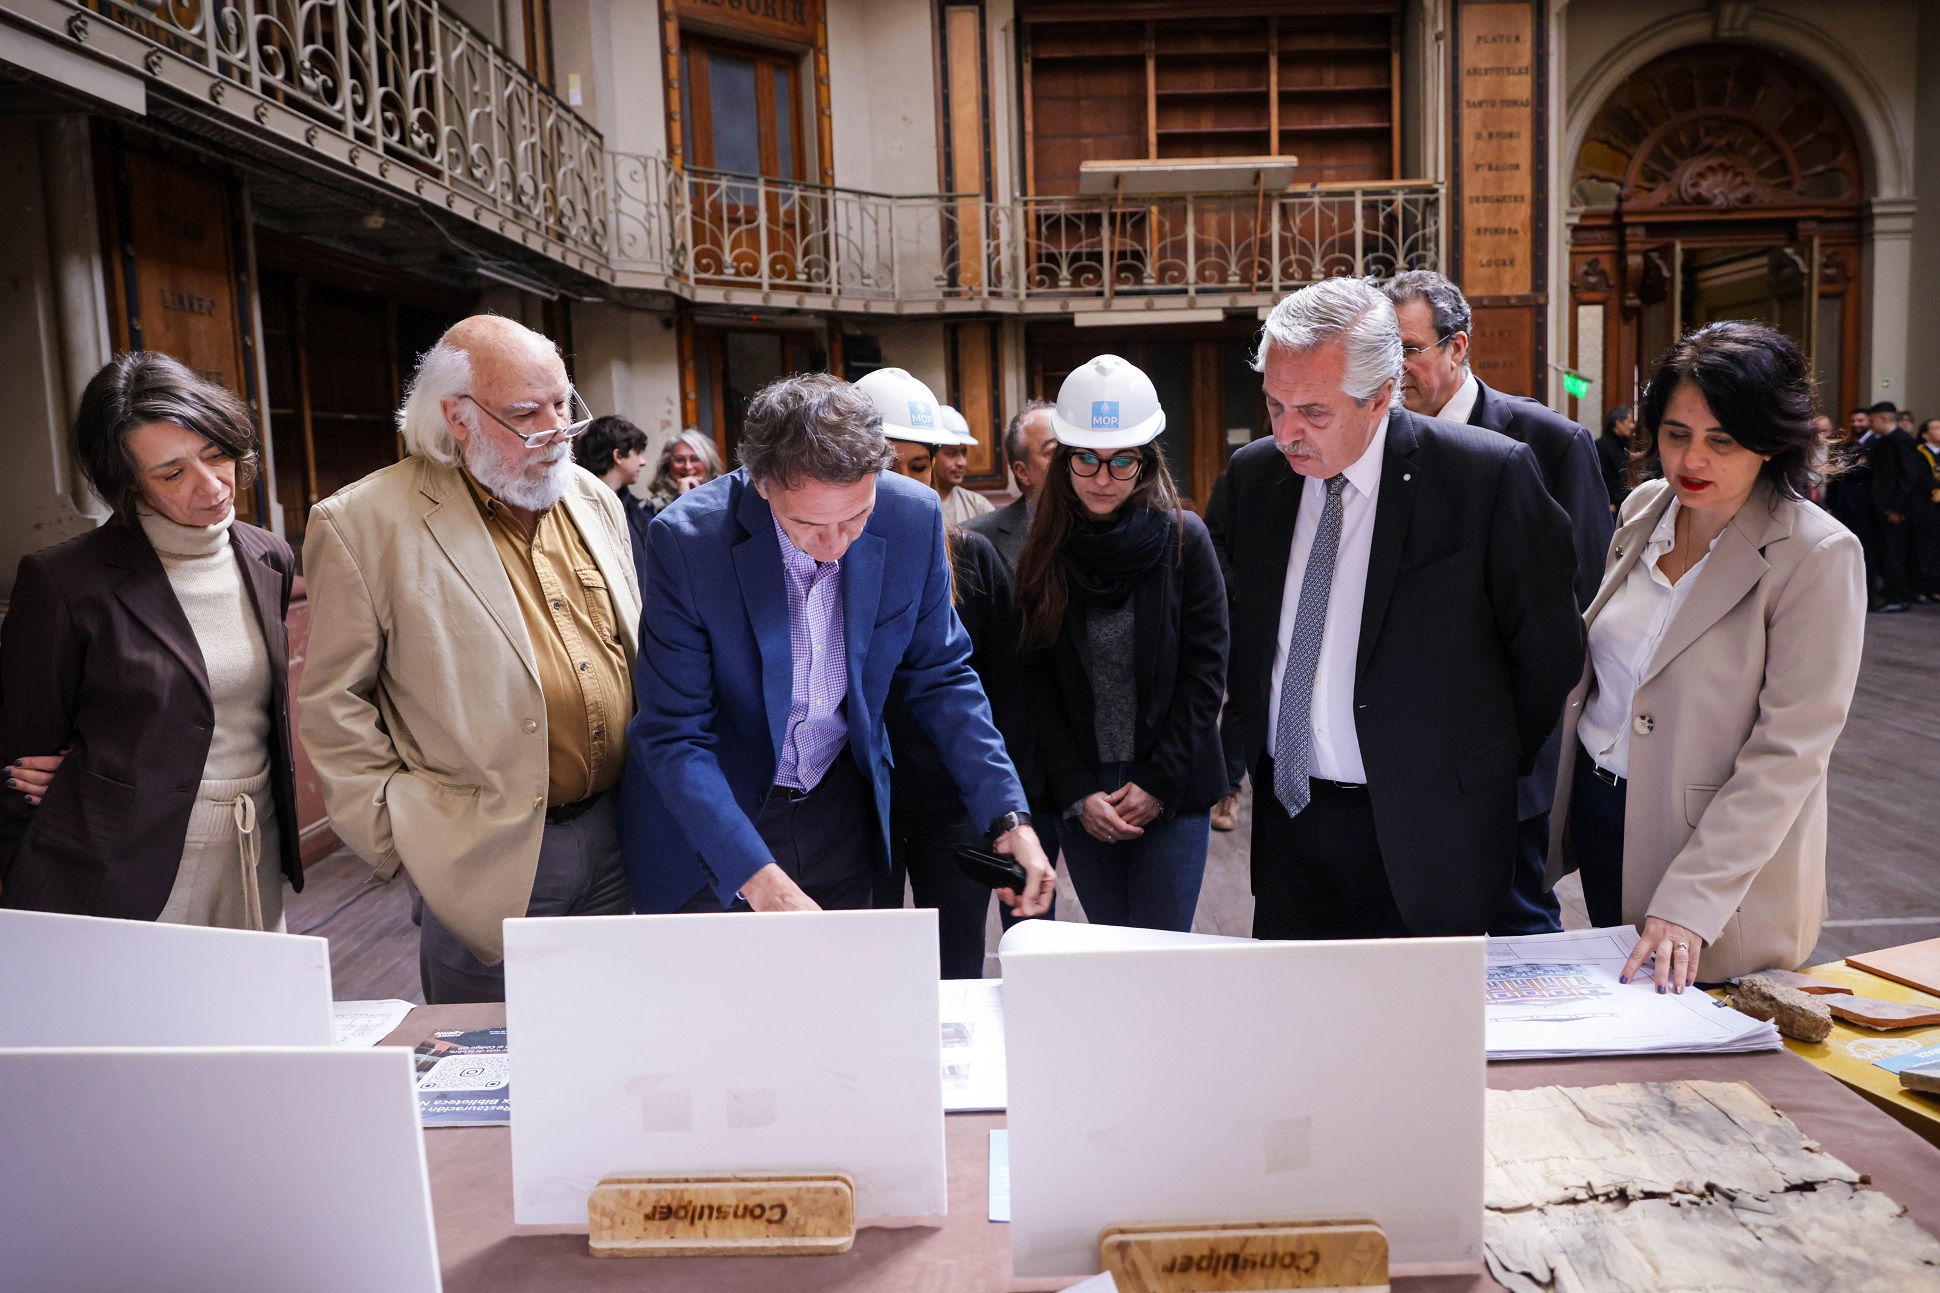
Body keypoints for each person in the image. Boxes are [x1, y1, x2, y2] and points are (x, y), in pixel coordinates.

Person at [1205, 277, 1581, 940]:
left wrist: (1472, 768)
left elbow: (1548, 654)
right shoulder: (1253, 479)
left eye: (1313, 413)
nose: (1287, 432)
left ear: (1382, 396)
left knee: (1422, 1034)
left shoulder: (1484, 478)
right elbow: (1237, 631)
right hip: (1292, 825)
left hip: (1430, 831)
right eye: (1274, 405)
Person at [617, 371, 1054, 918]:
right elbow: (674, 733)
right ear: (760, 480)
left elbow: (943, 678)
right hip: (716, 823)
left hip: (839, 813)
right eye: (806, 523)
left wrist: (1007, 815)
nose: (833, 546)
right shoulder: (689, 541)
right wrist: (757, 877)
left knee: (845, 996)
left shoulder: (911, 515)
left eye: (855, 518)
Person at [300, 316, 642, 1003]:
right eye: (525, 412)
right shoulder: (362, 522)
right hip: (483, 853)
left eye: (561, 403)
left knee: (617, 1048)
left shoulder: (594, 498)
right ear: (457, 416)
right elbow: (334, 706)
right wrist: (405, 841)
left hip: (620, 833)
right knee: (493, 1072)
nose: (557, 429)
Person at [1548, 320, 1865, 990]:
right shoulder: (1641, 510)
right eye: (1676, 434)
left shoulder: (1817, 553)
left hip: (1716, 857)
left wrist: (1693, 899)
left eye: (1722, 440)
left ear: (1772, 440)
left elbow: (1791, 752)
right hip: (1606, 820)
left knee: (1707, 1078)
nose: (1692, 460)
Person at [0, 353, 302, 927]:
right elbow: (21, 762)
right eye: (171, 474)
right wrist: (31, 919)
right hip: (120, 866)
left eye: (218, 455)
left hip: (254, 842)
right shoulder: (64, 581)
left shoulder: (269, 556)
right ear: (126, 483)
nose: (211, 486)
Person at [1383, 270, 1615, 936]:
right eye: (1381, 353)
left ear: (1458, 349)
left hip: (1512, 759)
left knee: (1521, 933)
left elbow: (1585, 604)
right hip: (1407, 758)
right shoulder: (1378, 443)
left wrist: (1533, 744)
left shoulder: (1548, 442)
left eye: (1408, 350)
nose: (1394, 370)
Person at [1013, 356, 1227, 932]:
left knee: (1160, 954)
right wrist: (1079, 793)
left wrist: (1159, 782)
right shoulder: (1043, 552)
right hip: (1088, 799)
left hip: (1172, 789)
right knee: (1110, 948)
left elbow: (1206, 675)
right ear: (1064, 462)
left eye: (1121, 462)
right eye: (1086, 459)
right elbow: (1038, 690)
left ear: (1146, 460)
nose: (1102, 479)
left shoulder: (1187, 539)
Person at [868, 369, 1024, 974]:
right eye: (889, 465)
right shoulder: (823, 553)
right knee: (872, 970)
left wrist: (1004, 807)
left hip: (952, 801)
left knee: (958, 965)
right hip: (862, 805)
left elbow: (999, 688)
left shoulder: (970, 554)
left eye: (917, 467)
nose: (905, 484)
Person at [966, 400, 1057, 570]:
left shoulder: (1105, 525)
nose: (1069, 460)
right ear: (1023, 472)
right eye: (1053, 451)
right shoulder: (975, 538)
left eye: (1071, 449)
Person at [574, 414, 652, 579]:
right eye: (637, 453)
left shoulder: (632, 507)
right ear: (618, 456)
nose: (642, 461)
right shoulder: (580, 508)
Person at [1870, 401, 1922, 613]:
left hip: (1896, 512)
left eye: (1873, 420)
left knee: (1895, 555)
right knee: (1889, 553)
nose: (1871, 425)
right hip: (1886, 510)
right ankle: (1892, 593)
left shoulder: (1900, 440)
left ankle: (1897, 597)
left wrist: (1898, 508)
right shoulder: (1887, 441)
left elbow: (1910, 477)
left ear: (1884, 419)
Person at [1826, 406, 1881, 605]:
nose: (1857, 424)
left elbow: (1861, 471)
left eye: (1861, 421)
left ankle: (1868, 595)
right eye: (1854, 421)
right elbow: (1834, 474)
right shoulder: (1847, 447)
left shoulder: (1876, 446)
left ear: (1869, 422)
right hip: (1844, 507)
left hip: (1865, 509)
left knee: (1866, 551)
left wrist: (1847, 468)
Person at [935, 405, 996, 526]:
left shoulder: (978, 506)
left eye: (964, 452)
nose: (961, 462)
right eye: (951, 454)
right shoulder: (916, 504)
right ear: (932, 456)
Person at [644, 428, 723, 513]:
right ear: (667, 464)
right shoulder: (653, 506)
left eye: (695, 459)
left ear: (709, 463)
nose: (688, 467)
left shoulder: (724, 496)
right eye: (679, 460)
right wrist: (681, 497)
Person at [1913, 419, 1940, 603]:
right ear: (1925, 434)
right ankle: (1920, 588)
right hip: (1927, 507)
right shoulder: (1920, 453)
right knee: (1924, 550)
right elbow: (1921, 478)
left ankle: (1935, 587)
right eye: (1937, 428)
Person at [1599, 406, 1636, 512]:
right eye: (1629, 422)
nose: (1632, 426)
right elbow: (1600, 475)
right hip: (1612, 506)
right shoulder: (1602, 446)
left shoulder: (1625, 445)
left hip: (1625, 502)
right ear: (1618, 423)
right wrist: (1609, 501)